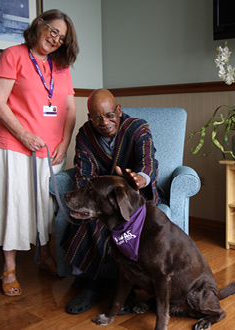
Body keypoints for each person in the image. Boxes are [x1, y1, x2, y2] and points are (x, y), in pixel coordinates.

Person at [0, 9, 79, 297]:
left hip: (51, 150)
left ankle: (44, 256)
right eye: (53, 31)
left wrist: (64, 143)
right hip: (16, 145)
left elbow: (70, 109)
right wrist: (24, 135)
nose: (55, 40)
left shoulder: (60, 66)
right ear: (39, 24)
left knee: (45, 205)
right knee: (13, 204)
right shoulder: (12, 55)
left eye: (61, 38)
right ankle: (10, 268)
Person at [63, 88, 163, 314]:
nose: (104, 122)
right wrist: (94, 200)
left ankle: (125, 289)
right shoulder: (85, 134)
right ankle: (94, 284)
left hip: (136, 197)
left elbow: (149, 160)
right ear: (90, 118)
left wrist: (138, 179)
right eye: (97, 117)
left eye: (109, 115)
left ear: (119, 110)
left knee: (125, 224)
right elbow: (83, 174)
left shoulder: (138, 128)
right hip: (100, 200)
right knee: (88, 220)